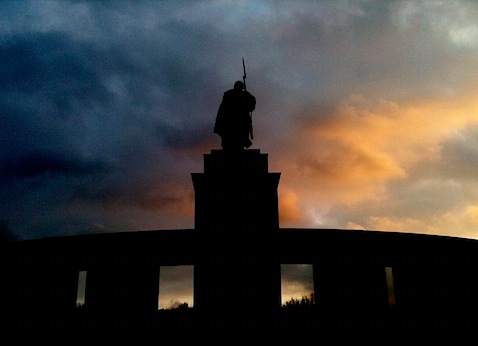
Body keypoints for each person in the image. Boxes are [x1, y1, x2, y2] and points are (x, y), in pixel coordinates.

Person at [214, 81, 256, 150]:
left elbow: (252, 101)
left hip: (238, 120)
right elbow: (252, 101)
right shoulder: (235, 94)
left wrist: (250, 106)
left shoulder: (242, 94)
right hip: (232, 120)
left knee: (239, 137)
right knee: (233, 137)